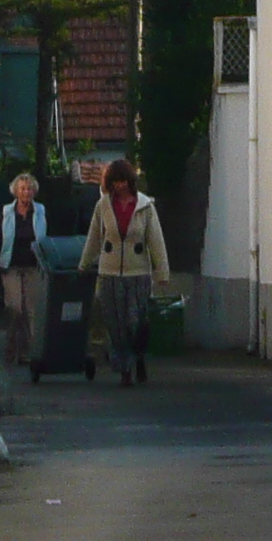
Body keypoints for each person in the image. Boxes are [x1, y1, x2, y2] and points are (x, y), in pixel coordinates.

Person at [78, 158, 169, 385]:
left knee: (134, 321)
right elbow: (95, 237)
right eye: (116, 182)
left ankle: (138, 358)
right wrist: (84, 263)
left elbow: (156, 240)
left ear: (131, 182)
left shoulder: (146, 207)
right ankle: (124, 369)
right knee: (115, 324)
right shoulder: (103, 206)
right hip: (109, 273)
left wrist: (162, 273)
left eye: (124, 182)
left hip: (138, 273)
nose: (120, 186)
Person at [0, 173, 52, 373]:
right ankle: (11, 350)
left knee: (31, 310)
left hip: (33, 266)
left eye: (29, 189)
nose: (26, 192)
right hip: (11, 266)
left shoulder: (41, 212)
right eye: (22, 189)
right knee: (14, 308)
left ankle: (29, 353)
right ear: (15, 191)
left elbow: (45, 238)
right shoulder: (6, 213)